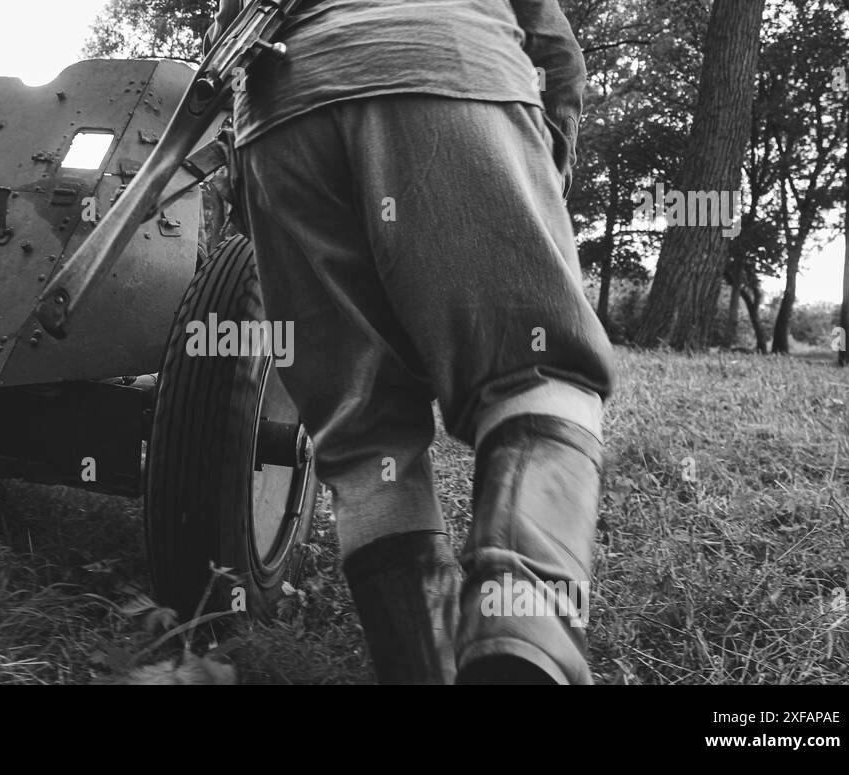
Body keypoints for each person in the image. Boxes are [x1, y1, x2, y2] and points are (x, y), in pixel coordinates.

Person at [205, 0, 616, 684]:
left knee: (364, 447)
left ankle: (426, 669)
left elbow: (227, 32)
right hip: (447, 65)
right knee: (538, 371)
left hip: (279, 117)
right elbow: (556, 51)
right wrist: (542, 170)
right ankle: (525, 628)